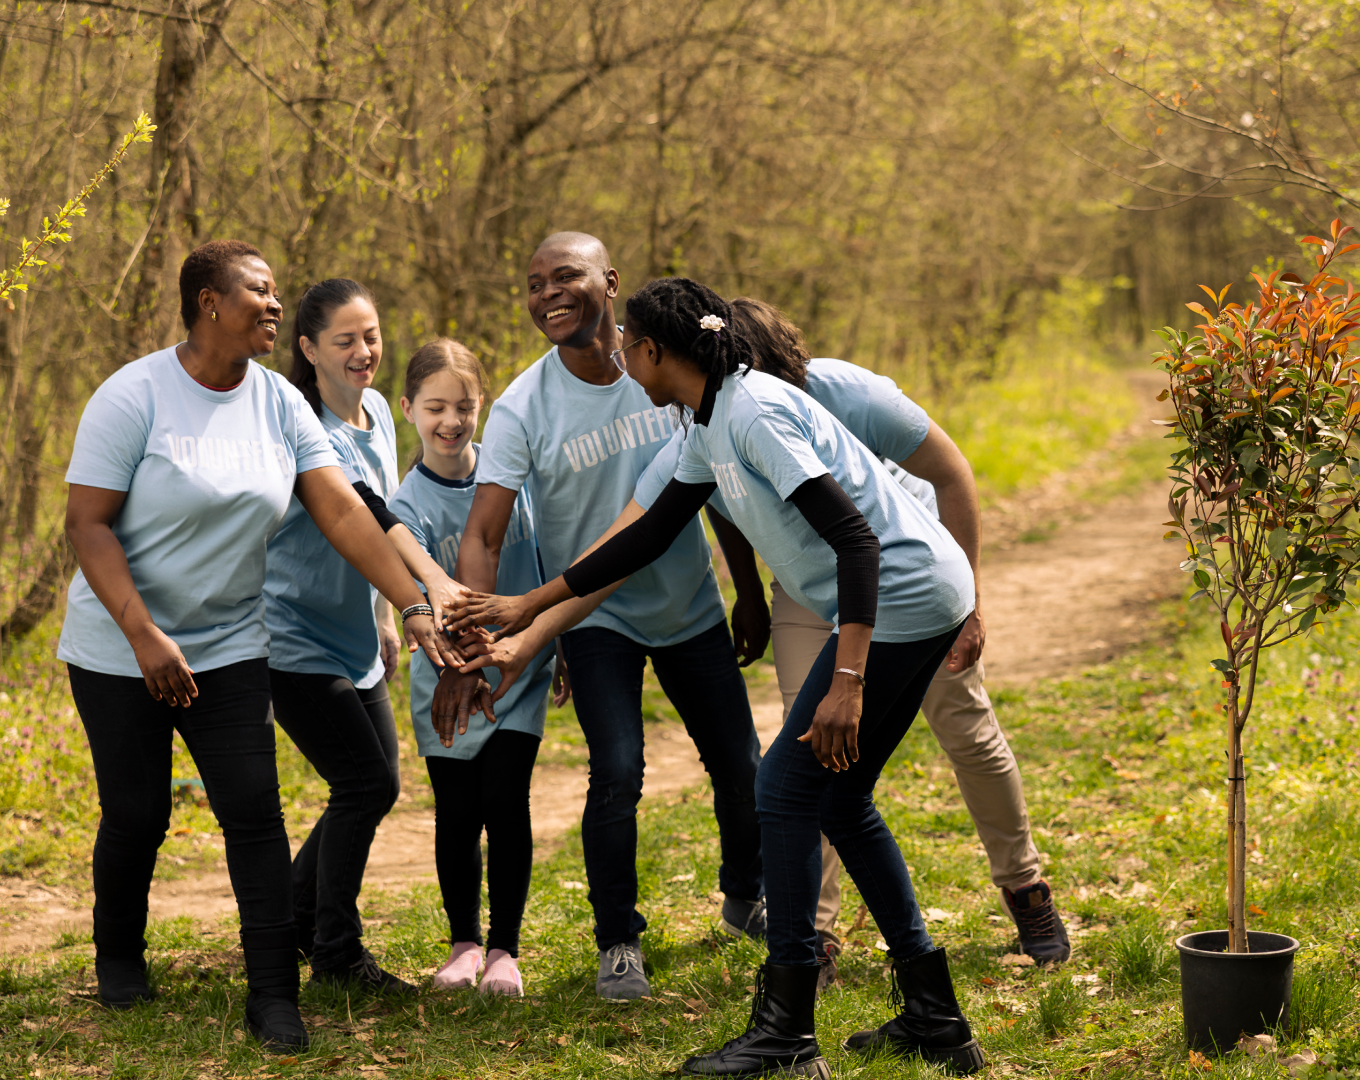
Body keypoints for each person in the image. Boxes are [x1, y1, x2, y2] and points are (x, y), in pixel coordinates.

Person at [453, 278, 987, 1077]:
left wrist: (847, 678)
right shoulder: (709, 421)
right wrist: (529, 605)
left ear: (658, 353)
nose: (620, 350)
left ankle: (787, 1031)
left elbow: (857, 542)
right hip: (915, 599)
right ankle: (935, 1017)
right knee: (836, 797)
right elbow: (645, 537)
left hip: (904, 602)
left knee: (782, 789)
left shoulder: (756, 412)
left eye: (629, 339)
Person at [59, 241, 448, 1051]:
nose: (276, 304)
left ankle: (273, 997)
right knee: (137, 811)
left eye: (277, 293)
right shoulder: (134, 396)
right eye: (258, 291)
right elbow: (87, 524)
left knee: (254, 815)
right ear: (208, 301)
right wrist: (143, 635)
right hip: (120, 642)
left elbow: (344, 512)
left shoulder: (278, 401)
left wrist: (414, 604)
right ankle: (119, 962)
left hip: (231, 642)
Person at [450, 232, 768, 1001]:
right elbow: (483, 534)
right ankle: (618, 941)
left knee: (739, 764)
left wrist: (748, 590)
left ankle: (744, 893)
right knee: (617, 771)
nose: (548, 294)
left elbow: (713, 481)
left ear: (611, 283)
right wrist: (473, 645)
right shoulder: (525, 405)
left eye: (565, 276)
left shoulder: (665, 369)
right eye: (534, 283)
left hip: (689, 602)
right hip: (593, 619)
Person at [728, 298, 1071, 975]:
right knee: (812, 747)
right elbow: (725, 507)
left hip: (905, 571)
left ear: (789, 368)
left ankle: (1025, 887)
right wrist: (746, 595)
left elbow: (952, 473)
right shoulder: (712, 415)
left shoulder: (847, 391)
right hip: (806, 588)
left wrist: (969, 602)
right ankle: (816, 933)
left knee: (966, 731)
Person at [263, 278, 458, 994]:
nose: (363, 352)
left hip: (352, 636)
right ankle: (336, 954)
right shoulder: (304, 428)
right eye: (344, 340)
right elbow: (367, 515)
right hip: (289, 637)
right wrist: (420, 594)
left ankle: (289, 918)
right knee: (363, 781)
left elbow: (383, 516)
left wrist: (381, 611)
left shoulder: (376, 408)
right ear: (308, 348)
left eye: (370, 335)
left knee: (376, 785)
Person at [387, 340, 554, 998]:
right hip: (447, 682)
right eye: (435, 408)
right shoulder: (406, 507)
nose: (451, 421)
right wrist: (456, 659)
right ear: (408, 410)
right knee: (457, 813)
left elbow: (543, 563)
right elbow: (422, 604)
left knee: (507, 803)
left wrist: (553, 643)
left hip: (517, 671)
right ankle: (463, 945)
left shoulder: (510, 474)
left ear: (482, 406)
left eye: (464, 406)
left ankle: (505, 952)